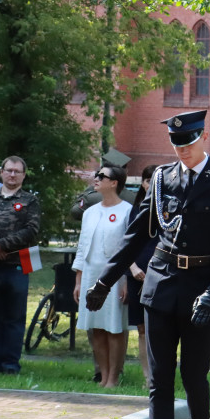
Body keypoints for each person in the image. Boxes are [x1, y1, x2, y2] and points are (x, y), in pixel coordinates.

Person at [84, 110, 210, 419]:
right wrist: (105, 280)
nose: (184, 151)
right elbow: (135, 236)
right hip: (161, 285)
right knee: (159, 381)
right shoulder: (161, 179)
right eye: (177, 145)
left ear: (203, 137)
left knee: (194, 376)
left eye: (189, 144)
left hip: (201, 287)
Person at [73, 165, 131, 388]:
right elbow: (82, 247)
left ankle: (114, 378)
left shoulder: (127, 211)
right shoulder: (90, 212)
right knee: (95, 326)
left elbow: (129, 249)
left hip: (115, 277)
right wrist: (78, 281)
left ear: (114, 182)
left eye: (101, 176)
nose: (95, 179)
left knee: (114, 326)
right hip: (90, 274)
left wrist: (126, 278)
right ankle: (103, 375)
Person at [0, 156, 41, 374]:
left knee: (14, 317)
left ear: (24, 175)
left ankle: (10, 364)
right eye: (9, 170)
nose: (13, 174)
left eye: (17, 171)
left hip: (18, 266)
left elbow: (31, 230)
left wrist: (2, 245)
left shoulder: (30, 201)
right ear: (1, 172)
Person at [126, 164, 158, 383]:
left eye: (155, 180)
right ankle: (147, 377)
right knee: (142, 329)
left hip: (160, 276)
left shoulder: (169, 209)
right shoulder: (135, 210)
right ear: (143, 184)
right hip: (137, 274)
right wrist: (134, 268)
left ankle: (160, 375)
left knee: (160, 329)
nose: (150, 185)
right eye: (147, 181)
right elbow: (126, 245)